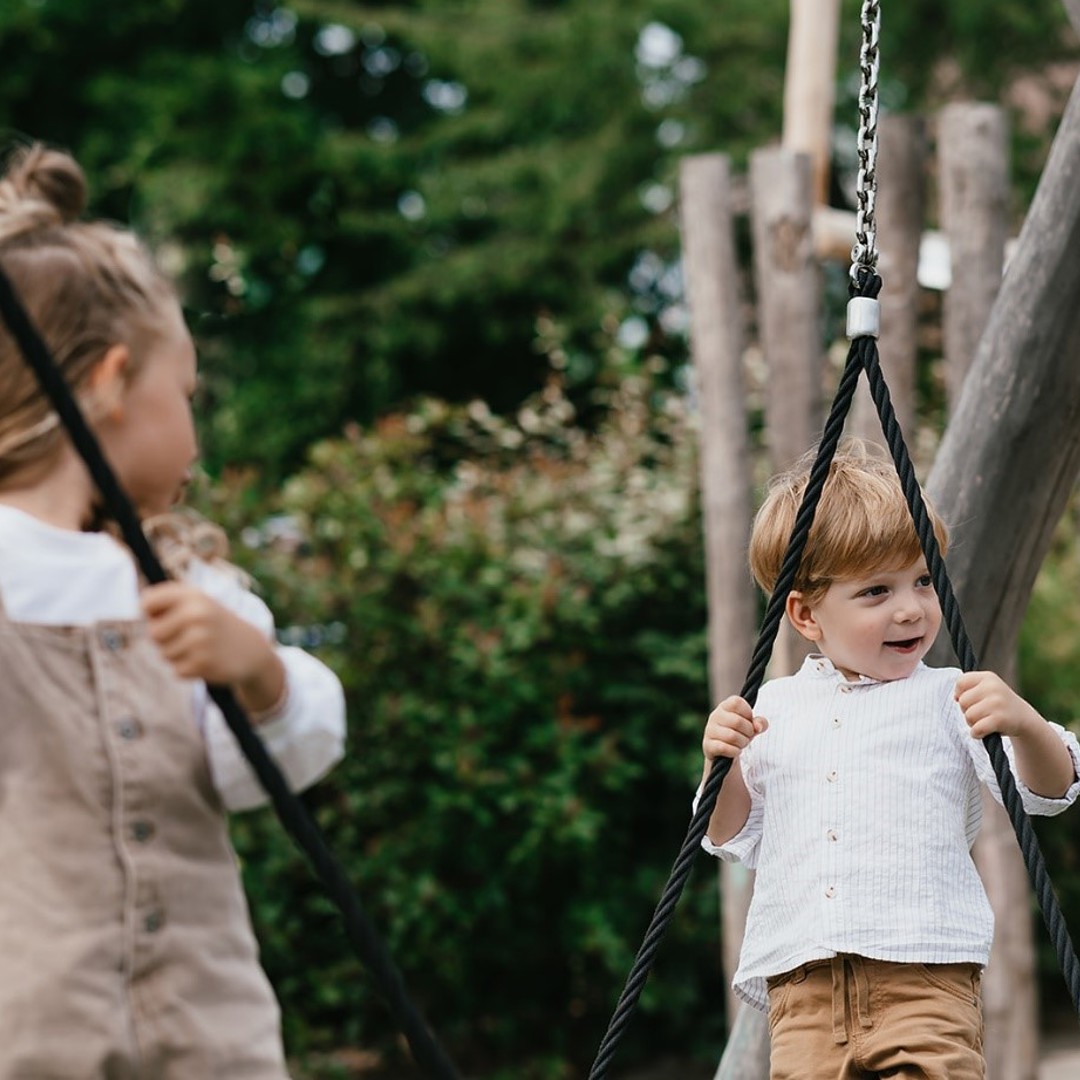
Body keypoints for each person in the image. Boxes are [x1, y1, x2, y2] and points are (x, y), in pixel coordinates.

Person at [0, 141, 346, 1077]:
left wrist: (262, 675)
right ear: (112, 385)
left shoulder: (183, 579)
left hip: (207, 1038)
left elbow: (273, 767)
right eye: (185, 395)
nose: (196, 430)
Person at [699, 440, 1080, 1080]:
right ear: (805, 613)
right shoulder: (774, 707)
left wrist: (1025, 723)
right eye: (877, 590)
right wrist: (724, 761)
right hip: (803, 992)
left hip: (924, 976)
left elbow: (1051, 789)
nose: (911, 608)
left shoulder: (948, 696)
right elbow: (728, 832)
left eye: (924, 581)